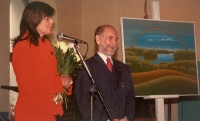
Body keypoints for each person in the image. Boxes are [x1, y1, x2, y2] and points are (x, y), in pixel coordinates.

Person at [12, 1, 72, 121]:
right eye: (47, 18)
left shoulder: (46, 45)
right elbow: (28, 86)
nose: (52, 22)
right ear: (34, 19)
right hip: (32, 113)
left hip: (48, 111)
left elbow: (49, 76)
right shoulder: (23, 46)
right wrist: (59, 81)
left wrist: (66, 82)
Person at [75, 25, 135, 121]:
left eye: (116, 39)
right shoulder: (85, 67)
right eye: (110, 38)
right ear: (98, 39)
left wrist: (126, 118)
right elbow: (84, 102)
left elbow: (130, 97)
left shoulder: (124, 68)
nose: (114, 43)